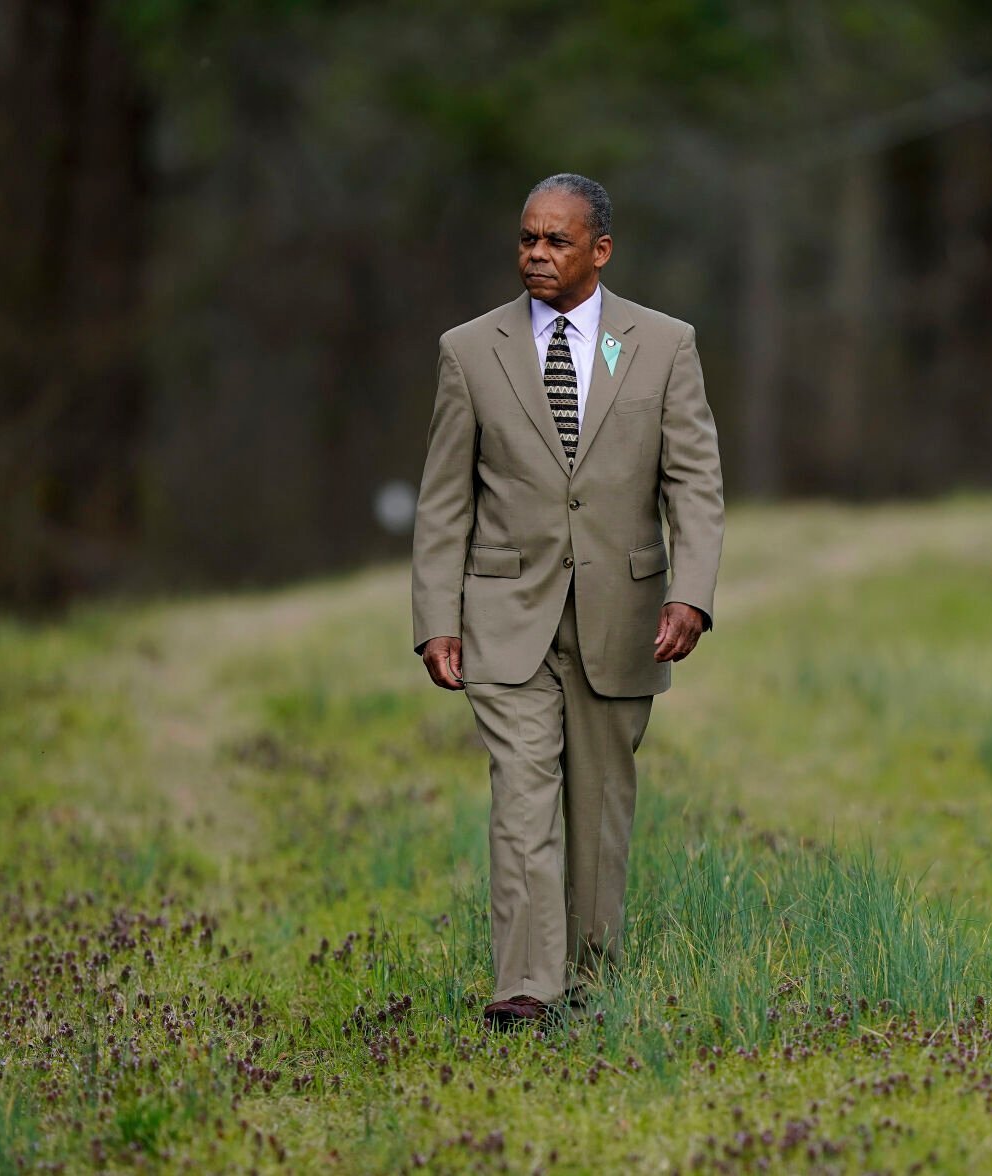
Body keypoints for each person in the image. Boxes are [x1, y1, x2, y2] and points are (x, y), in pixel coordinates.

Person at [410, 173, 725, 1030]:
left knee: (598, 809)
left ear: (600, 250)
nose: (535, 255)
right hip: (504, 618)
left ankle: (591, 976)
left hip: (623, 619)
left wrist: (690, 595)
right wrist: (436, 617)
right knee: (520, 799)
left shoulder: (663, 345)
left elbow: (694, 484)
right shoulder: (469, 350)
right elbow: (444, 499)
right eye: (526, 239)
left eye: (555, 241)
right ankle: (524, 989)